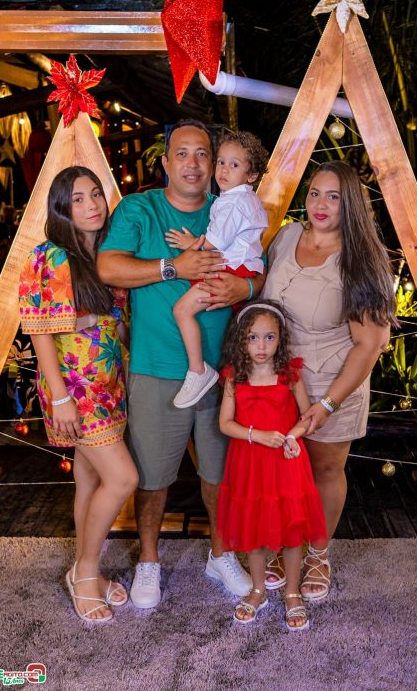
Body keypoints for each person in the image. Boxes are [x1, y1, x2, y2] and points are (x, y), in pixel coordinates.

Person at [97, 119, 266, 609]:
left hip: (225, 372)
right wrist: (174, 266)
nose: (193, 163)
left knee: (220, 475)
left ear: (215, 164)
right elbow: (109, 266)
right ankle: (149, 559)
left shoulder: (229, 204)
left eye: (203, 154)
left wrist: (244, 287)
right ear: (166, 162)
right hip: (155, 368)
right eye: (183, 153)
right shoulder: (140, 208)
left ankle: (221, 554)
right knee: (152, 477)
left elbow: (259, 268)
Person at [261, 160, 396, 600]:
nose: (321, 204)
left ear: (350, 203)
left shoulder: (362, 261)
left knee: (324, 469)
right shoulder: (285, 237)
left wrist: (328, 404)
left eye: (334, 197)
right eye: (315, 193)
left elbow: (369, 345)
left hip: (333, 382)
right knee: (279, 468)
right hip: (276, 379)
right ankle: (283, 545)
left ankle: (318, 552)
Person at [19, 166, 139, 623]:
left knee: (89, 480)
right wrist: (60, 396)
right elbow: (40, 332)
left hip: (109, 383)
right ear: (61, 209)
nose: (91, 205)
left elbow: (116, 321)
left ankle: (85, 570)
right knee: (122, 479)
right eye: (78, 199)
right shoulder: (49, 256)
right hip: (74, 387)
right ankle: (86, 573)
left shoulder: (107, 252)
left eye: (96, 195)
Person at [217, 300, 327, 630]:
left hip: (285, 461)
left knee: (291, 530)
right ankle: (258, 589)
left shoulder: (290, 375)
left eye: (269, 337)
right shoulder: (234, 378)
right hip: (249, 462)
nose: (261, 346)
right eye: (253, 338)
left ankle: (292, 592)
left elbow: (306, 417)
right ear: (241, 340)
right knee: (253, 529)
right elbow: (225, 424)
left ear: (280, 338)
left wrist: (292, 435)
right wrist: (257, 435)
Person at [165, 131, 269, 408]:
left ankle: (198, 370)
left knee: (182, 310)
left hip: (232, 271)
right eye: (221, 162)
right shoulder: (247, 199)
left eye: (234, 165)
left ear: (251, 175)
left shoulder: (233, 202)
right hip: (242, 268)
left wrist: (190, 243)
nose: (224, 170)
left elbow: (216, 241)